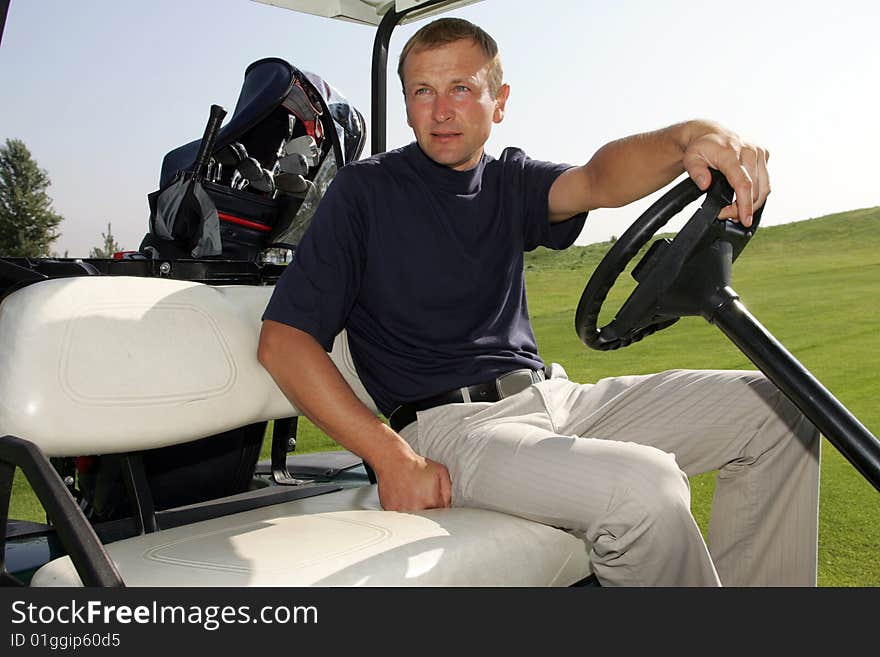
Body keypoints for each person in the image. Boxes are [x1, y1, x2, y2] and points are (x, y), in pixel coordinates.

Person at [258, 17, 820, 586]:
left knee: (781, 409)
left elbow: (598, 180)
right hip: (453, 430)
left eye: (461, 89)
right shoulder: (366, 191)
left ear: (497, 103)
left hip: (555, 398)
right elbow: (283, 343)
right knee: (644, 490)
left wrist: (691, 138)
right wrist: (391, 457)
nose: (441, 110)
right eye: (422, 92)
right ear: (407, 106)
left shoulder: (509, 182)